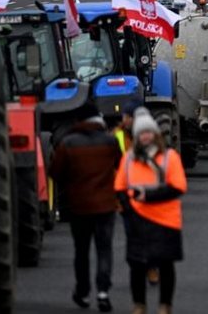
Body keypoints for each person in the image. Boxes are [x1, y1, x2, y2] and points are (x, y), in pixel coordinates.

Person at [116, 109, 187, 314]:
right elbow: (120, 187)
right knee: (137, 265)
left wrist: (147, 196)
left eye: (148, 132)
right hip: (138, 220)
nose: (145, 136)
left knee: (165, 265)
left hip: (166, 220)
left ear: (155, 134)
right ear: (137, 136)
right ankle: (139, 304)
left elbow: (178, 187)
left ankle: (165, 305)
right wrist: (129, 211)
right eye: (141, 133)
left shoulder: (169, 158)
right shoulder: (129, 159)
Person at [50, 108, 121, 313]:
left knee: (81, 251)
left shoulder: (68, 143)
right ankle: (103, 292)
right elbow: (121, 164)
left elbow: (56, 172)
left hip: (79, 207)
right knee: (104, 249)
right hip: (106, 205)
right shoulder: (110, 141)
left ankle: (83, 291)